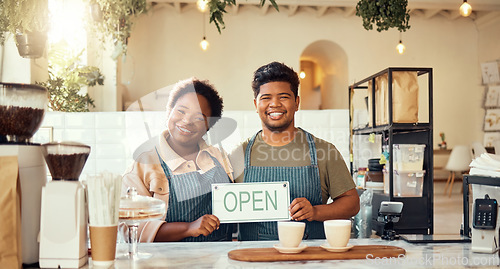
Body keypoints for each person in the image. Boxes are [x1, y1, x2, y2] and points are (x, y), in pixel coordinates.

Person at [233, 61, 360, 241]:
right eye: (266, 98)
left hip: (310, 259)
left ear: (297, 102)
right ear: (256, 104)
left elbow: (352, 203)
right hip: (253, 259)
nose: (274, 104)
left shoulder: (324, 151)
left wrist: (315, 211)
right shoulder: (238, 155)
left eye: (283, 97)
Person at [122, 77, 234, 242]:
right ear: (169, 112)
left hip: (219, 261)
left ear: (208, 126)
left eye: (198, 117)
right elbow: (130, 228)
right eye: (181, 111)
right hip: (167, 263)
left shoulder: (219, 157)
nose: (187, 121)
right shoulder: (143, 164)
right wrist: (188, 228)